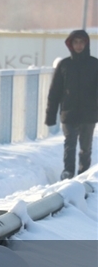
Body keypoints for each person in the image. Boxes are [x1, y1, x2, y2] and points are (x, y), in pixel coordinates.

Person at [45, 30, 98, 180]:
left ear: (86, 44)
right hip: (69, 112)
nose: (78, 45)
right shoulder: (64, 65)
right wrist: (50, 115)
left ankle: (83, 173)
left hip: (89, 113)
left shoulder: (94, 64)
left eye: (81, 42)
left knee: (85, 147)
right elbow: (55, 92)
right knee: (70, 143)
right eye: (76, 42)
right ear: (71, 44)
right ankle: (68, 172)